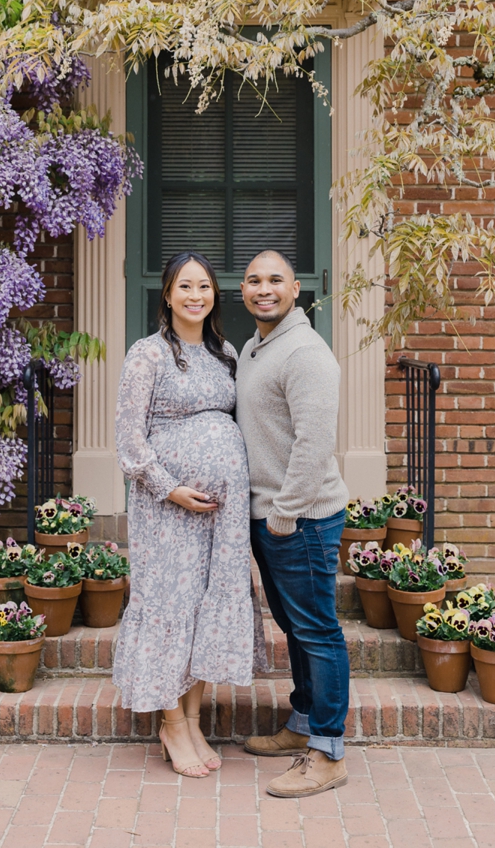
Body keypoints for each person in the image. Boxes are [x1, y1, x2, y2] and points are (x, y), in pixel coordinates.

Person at [114, 251, 266, 779]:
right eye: (185, 286)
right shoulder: (148, 355)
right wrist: (171, 489)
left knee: (203, 608)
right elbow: (129, 443)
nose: (195, 295)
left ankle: (195, 718)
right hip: (167, 511)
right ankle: (171, 723)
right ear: (167, 293)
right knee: (171, 606)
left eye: (204, 286)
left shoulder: (225, 353)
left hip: (218, 518)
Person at [236, 249, 351, 799]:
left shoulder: (305, 352)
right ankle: (302, 724)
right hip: (271, 517)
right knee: (295, 627)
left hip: (300, 519)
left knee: (318, 632)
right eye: (254, 280)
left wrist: (284, 513)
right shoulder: (259, 348)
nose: (264, 289)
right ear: (243, 290)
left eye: (275, 280)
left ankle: (328, 751)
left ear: (296, 287)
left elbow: (314, 443)